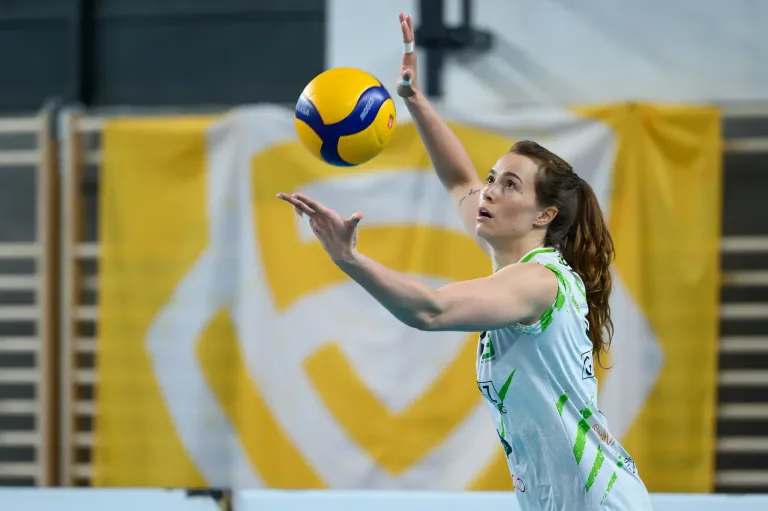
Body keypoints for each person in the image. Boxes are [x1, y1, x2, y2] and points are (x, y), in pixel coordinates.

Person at [277, 11, 653, 511]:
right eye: (494, 177)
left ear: (545, 213)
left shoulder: (539, 284)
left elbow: (431, 310)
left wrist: (350, 260)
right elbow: (458, 179)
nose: (489, 192)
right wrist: (413, 99)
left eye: (509, 185)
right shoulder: (516, 265)